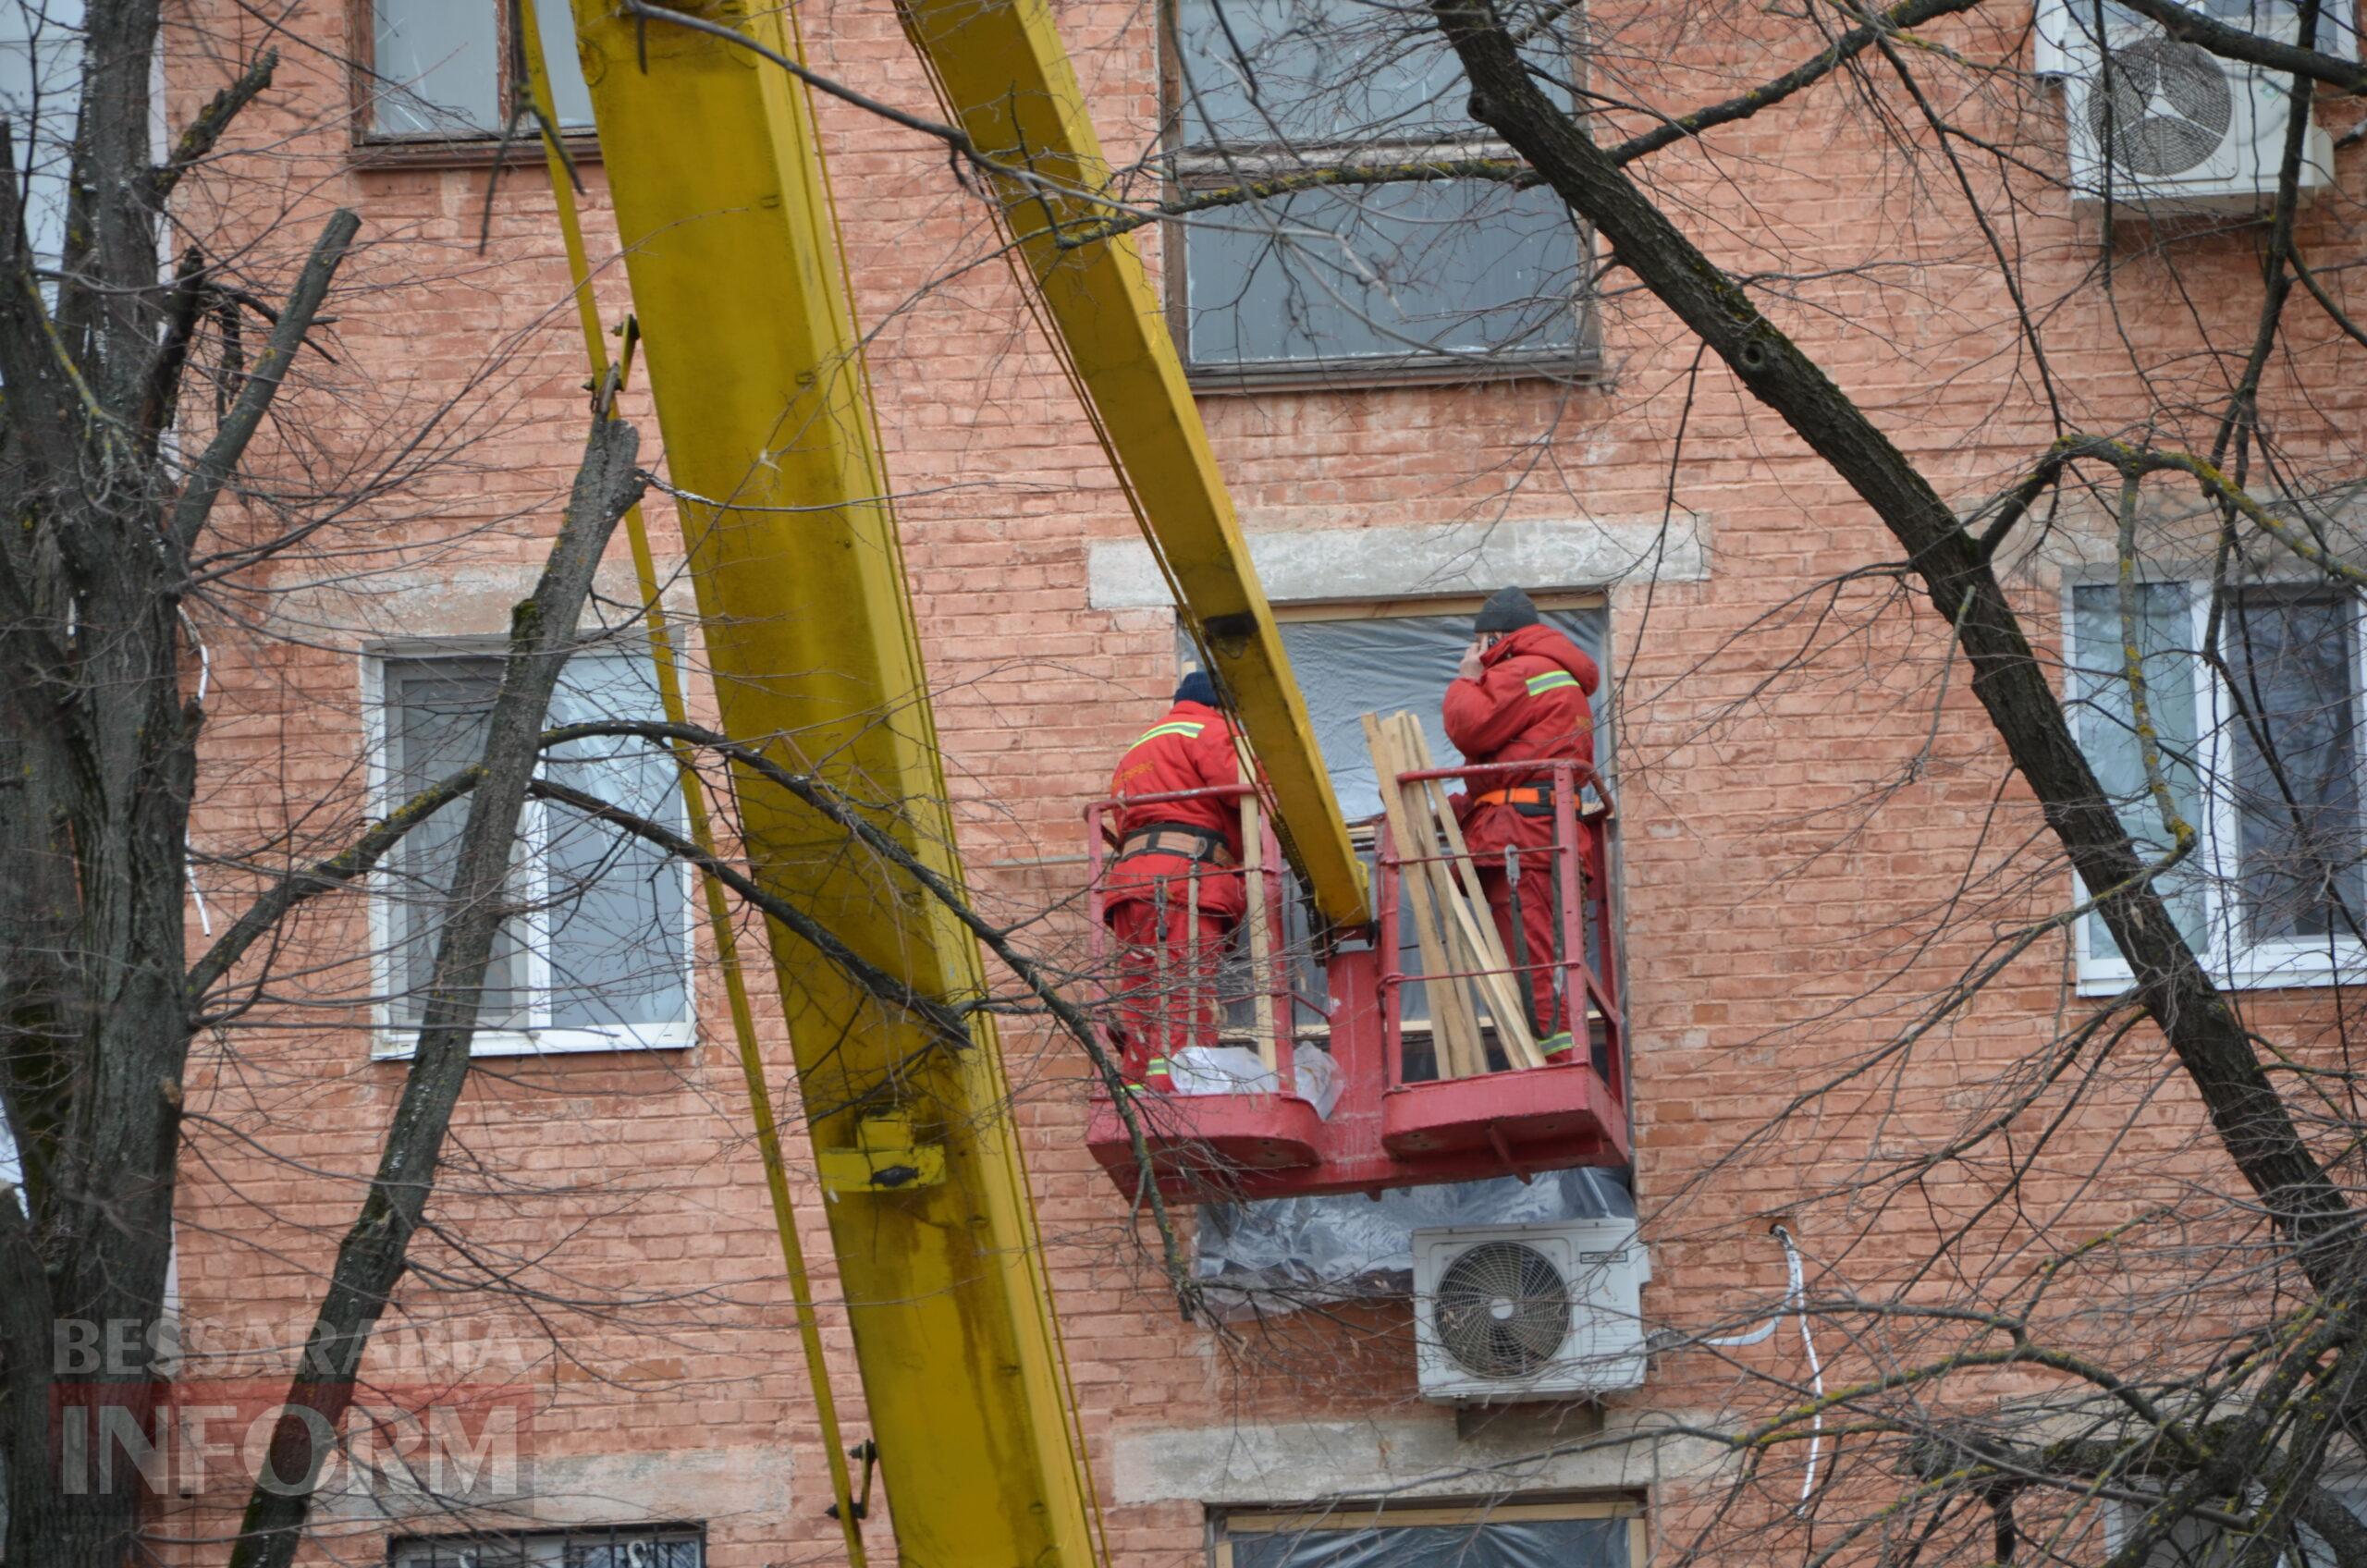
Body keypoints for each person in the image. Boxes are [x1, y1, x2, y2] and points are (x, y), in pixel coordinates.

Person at [1442, 587, 1601, 1057]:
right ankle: (1559, 1054)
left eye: (1480, 643)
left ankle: (1556, 1062)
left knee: (1529, 955)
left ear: (1495, 636)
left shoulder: (1522, 669)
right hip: (1541, 828)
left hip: (1521, 837)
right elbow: (1524, 758)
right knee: (1543, 952)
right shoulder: (1556, 673)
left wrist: (1467, 680)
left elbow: (1469, 727)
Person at [1102, 670, 1247, 1092]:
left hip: (1134, 880)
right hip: (1183, 877)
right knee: (1186, 987)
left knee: (1142, 990)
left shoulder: (1141, 746)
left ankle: (1139, 1088)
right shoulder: (1209, 728)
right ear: (1220, 705)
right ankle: (1186, 1088)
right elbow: (1247, 788)